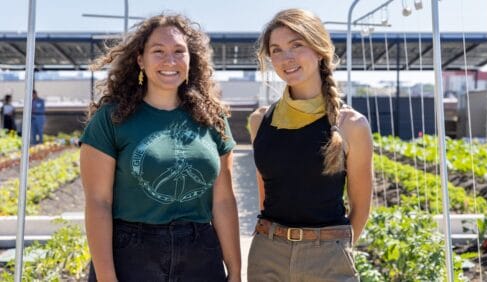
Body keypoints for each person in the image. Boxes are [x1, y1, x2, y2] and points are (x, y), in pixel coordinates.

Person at [79, 13, 241, 282]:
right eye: (159, 51)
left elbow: (223, 201)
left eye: (179, 51)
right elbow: (98, 203)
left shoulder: (213, 120)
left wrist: (234, 270)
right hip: (131, 256)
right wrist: (107, 277)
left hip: (201, 256)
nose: (170, 60)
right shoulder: (111, 119)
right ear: (140, 59)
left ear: (192, 60)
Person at [247, 9, 373, 282]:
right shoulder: (260, 121)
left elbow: (360, 207)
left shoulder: (351, 124)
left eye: (297, 45)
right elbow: (266, 199)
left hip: (327, 259)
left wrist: (334, 248)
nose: (286, 58)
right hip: (266, 254)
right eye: (277, 50)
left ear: (319, 50)